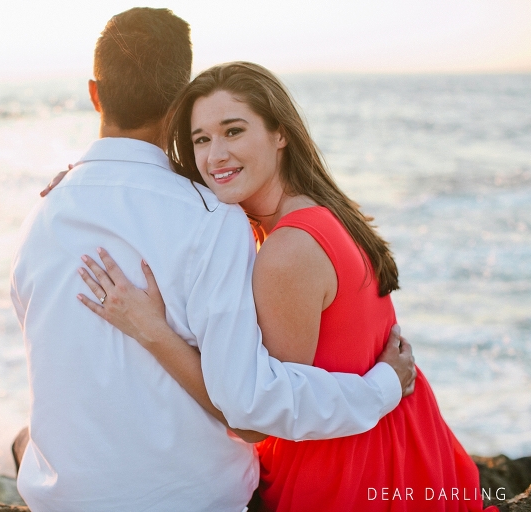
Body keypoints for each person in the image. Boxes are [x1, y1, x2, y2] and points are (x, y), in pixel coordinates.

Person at [10, 8, 415, 511]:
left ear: (95, 93)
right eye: (206, 137)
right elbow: (248, 405)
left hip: (66, 499)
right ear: (183, 105)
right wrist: (381, 388)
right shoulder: (211, 217)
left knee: (25, 441)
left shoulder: (41, 218)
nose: (215, 152)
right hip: (195, 499)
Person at [75, 62, 486, 511]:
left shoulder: (286, 251)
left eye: (233, 131)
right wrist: (85, 183)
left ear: (280, 134)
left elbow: (255, 419)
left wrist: (150, 329)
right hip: (401, 444)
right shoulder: (318, 214)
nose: (215, 156)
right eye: (201, 139)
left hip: (339, 473)